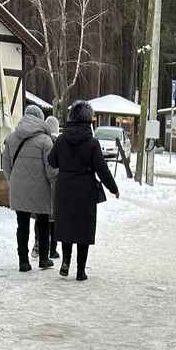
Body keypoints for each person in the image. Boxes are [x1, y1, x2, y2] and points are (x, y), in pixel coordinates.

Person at [46, 100, 119, 281]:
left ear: (71, 119)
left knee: (67, 226)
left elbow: (52, 161)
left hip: (64, 188)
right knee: (83, 229)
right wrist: (113, 188)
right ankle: (80, 271)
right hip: (85, 190)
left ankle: (65, 263)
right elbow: (102, 169)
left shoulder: (61, 140)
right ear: (88, 122)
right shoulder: (92, 143)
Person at [1, 102, 57, 273]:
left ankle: (23, 261)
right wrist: (55, 187)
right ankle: (44, 258)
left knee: (22, 224)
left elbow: (6, 166)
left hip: (18, 188)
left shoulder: (11, 138)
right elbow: (51, 169)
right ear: (40, 119)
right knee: (43, 222)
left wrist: (15, 183)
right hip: (41, 189)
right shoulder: (46, 141)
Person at [41, 114, 61, 260]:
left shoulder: (42, 140)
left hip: (42, 183)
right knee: (54, 220)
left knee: (41, 217)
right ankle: (53, 249)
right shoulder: (58, 142)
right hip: (55, 182)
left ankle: (38, 242)